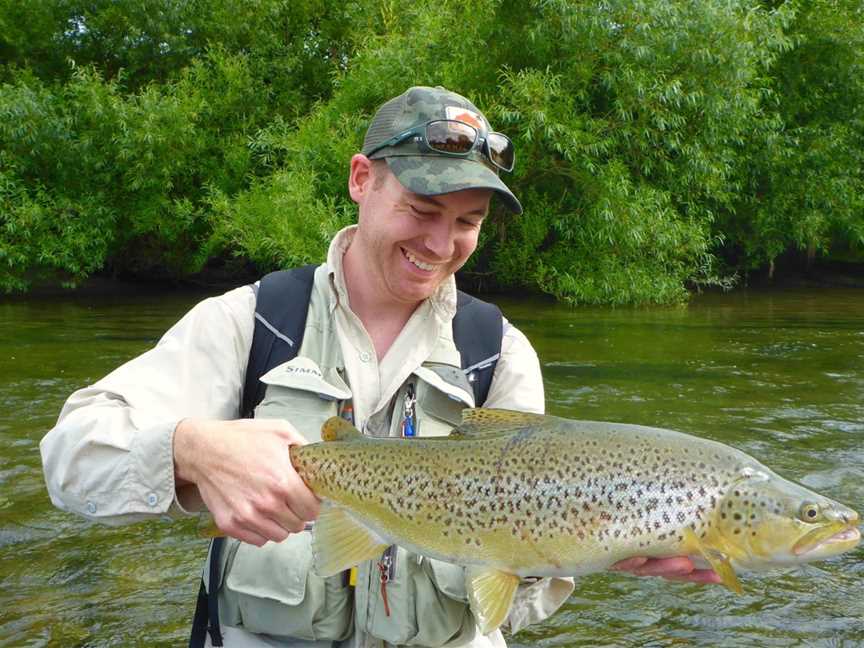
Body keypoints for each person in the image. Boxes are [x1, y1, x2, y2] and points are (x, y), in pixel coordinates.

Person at [40, 86, 718, 647]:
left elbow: (510, 608)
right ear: (361, 179)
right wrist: (189, 450)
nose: (439, 243)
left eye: (467, 221)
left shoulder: (498, 352)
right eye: (423, 209)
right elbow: (70, 457)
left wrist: (594, 547)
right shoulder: (253, 323)